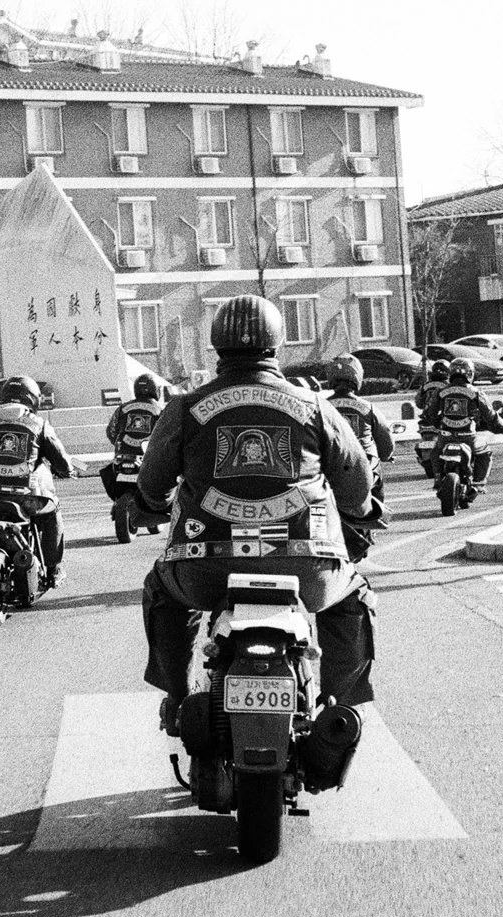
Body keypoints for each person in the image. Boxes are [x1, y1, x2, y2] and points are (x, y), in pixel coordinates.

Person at [134, 296, 383, 727]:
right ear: (278, 343)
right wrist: (361, 512)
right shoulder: (315, 406)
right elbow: (356, 485)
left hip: (203, 568)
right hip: (307, 566)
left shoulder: (185, 408)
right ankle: (339, 713)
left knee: (162, 592)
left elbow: (152, 486)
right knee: (352, 597)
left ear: (216, 345)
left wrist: (150, 505)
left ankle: (177, 699)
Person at [0, 375, 75, 586]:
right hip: (25, 496)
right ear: (33, 398)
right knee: (53, 512)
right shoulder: (39, 423)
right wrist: (67, 470)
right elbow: (60, 459)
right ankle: (53, 568)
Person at [420, 358, 503, 489]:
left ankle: (438, 478)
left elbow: (430, 413)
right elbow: (489, 414)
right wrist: (500, 426)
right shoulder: (475, 392)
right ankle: (478, 483)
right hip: (468, 437)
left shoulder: (440, 391)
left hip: (446, 436)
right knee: (485, 452)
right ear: (470, 374)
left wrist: (437, 423)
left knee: (435, 452)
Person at [326, 354, 395, 507]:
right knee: (377, 484)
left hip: (330, 464)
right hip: (363, 463)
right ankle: (376, 515)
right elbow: (384, 436)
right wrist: (386, 455)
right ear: (357, 377)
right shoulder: (368, 407)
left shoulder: (321, 406)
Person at [101, 374, 167, 500]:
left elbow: (111, 432)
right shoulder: (161, 410)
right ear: (154, 389)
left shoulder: (122, 408)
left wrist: (122, 445)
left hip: (123, 458)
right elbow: (168, 435)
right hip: (149, 460)